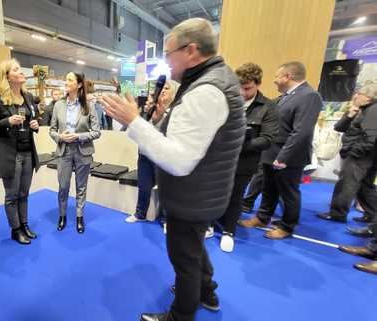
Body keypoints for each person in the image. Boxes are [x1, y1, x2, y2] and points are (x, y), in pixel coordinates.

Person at [102, 18, 245, 321]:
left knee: (184, 258)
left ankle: (181, 314)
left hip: (192, 194)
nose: (165, 61)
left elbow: (179, 160)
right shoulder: (214, 80)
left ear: (191, 50)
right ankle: (207, 292)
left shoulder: (206, 91)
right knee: (193, 249)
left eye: (168, 53)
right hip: (204, 192)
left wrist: (134, 122)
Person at [239, 61, 322, 239]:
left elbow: (302, 131)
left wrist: (284, 156)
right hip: (271, 153)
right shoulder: (285, 97)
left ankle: (287, 226)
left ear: (287, 76)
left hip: (289, 156)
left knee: (288, 193)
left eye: (277, 76)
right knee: (269, 189)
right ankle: (262, 217)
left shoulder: (309, 96)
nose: (275, 80)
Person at [214, 63, 278, 252]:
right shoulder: (228, 101)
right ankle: (208, 225)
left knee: (235, 197)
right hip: (220, 158)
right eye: (238, 87)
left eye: (247, 88)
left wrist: (240, 145)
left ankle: (229, 232)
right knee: (214, 194)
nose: (242, 92)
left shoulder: (268, 107)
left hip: (245, 161)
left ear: (258, 84)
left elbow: (267, 139)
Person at [0, 59, 40, 245]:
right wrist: (8, 121)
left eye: (20, 68)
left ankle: (24, 224)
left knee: (24, 193)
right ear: (7, 76)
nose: (21, 71)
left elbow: (34, 120)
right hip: (10, 153)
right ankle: (15, 229)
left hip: (28, 152)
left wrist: (35, 125)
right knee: (12, 195)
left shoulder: (29, 96)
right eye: (16, 69)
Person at [317, 84, 377, 228]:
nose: (355, 96)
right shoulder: (360, 110)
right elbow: (339, 127)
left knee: (347, 184)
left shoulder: (373, 111)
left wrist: (354, 151)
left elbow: (371, 137)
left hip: (360, 156)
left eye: (359, 93)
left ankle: (337, 213)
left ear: (369, 98)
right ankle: (372, 215)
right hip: (362, 154)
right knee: (364, 186)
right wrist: (350, 114)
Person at [50, 72, 101, 234]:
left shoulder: (89, 106)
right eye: (66, 79)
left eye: (70, 80)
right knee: (63, 186)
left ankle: (79, 217)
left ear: (79, 85)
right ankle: (62, 215)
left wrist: (78, 136)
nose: (66, 82)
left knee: (81, 187)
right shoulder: (58, 105)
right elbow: (51, 130)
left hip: (82, 151)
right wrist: (60, 137)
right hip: (64, 151)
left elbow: (96, 132)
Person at [125, 80, 179, 228]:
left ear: (173, 93)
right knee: (144, 186)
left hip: (163, 157)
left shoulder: (175, 112)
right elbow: (137, 128)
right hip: (144, 155)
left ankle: (166, 219)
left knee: (165, 189)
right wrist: (143, 113)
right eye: (161, 88)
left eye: (166, 89)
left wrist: (160, 116)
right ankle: (140, 213)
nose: (162, 91)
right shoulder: (147, 108)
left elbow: (167, 134)